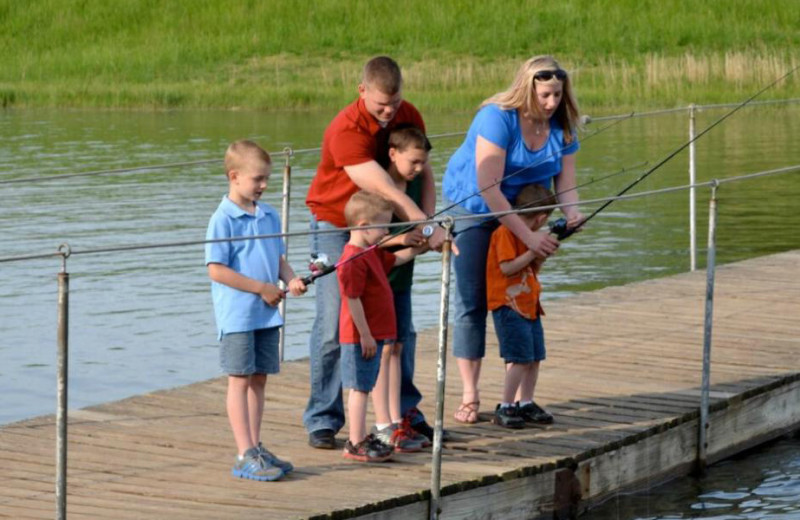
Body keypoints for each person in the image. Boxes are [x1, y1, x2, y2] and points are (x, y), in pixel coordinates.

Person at [304, 56, 443, 449]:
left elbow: (423, 167)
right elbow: (384, 187)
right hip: (338, 224)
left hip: (386, 222)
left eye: (395, 104)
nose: (389, 112)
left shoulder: (407, 113)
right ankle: (323, 417)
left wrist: (427, 219)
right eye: (382, 105)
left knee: (399, 322)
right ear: (361, 90)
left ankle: (402, 413)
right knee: (335, 321)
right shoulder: (346, 128)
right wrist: (422, 223)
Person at [441, 55, 584, 424]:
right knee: (473, 301)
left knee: (516, 296)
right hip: (476, 207)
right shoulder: (497, 117)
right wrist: (529, 238)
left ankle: (519, 399)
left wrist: (572, 215)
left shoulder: (563, 126)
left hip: (524, 212)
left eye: (557, 94)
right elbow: (489, 187)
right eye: (544, 96)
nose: (551, 103)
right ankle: (471, 395)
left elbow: (565, 184)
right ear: (527, 90)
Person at [205, 140, 307, 481]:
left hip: (267, 313)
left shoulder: (269, 214)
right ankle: (243, 452)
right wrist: (261, 288)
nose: (264, 186)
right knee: (240, 379)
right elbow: (216, 269)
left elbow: (277, 259)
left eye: (266, 179)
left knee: (260, 378)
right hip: (238, 315)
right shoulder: (223, 219)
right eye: (257, 179)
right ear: (234, 177)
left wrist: (290, 280)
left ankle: (256, 446)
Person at [337, 191, 426, 462]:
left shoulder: (371, 253)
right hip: (360, 337)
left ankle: (361, 437)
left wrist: (423, 246)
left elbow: (397, 259)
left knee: (365, 385)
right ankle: (355, 441)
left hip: (372, 336)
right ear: (364, 226)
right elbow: (352, 299)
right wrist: (365, 334)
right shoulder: (352, 258)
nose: (388, 231)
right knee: (360, 388)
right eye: (384, 226)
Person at [371, 125, 432, 451]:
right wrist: (404, 239)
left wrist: (426, 240)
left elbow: (423, 218)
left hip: (402, 279)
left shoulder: (416, 181)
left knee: (397, 347)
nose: (420, 169)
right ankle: (383, 423)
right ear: (393, 155)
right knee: (384, 350)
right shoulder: (379, 187)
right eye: (414, 163)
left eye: (423, 163)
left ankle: (397, 421)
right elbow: (369, 237)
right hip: (382, 280)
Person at [486, 184, 557, 428]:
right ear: (540, 218)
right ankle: (506, 405)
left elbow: (531, 270)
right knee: (519, 358)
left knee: (535, 356)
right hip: (509, 306)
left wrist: (540, 256)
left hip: (530, 305)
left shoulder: (530, 237)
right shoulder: (505, 233)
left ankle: (525, 402)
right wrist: (532, 250)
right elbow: (506, 268)